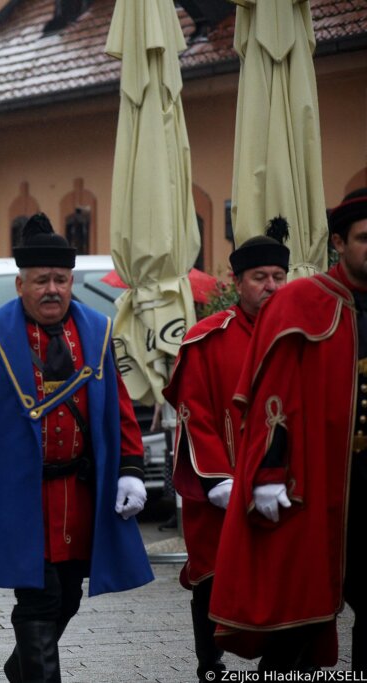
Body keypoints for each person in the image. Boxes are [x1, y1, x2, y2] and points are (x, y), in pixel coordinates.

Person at [0, 213, 152, 682]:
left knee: (67, 595)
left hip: (80, 491)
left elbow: (119, 408)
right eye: (41, 280)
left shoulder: (99, 330)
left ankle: (20, 667)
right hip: (20, 496)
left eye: (61, 280)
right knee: (39, 595)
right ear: (20, 283)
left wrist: (131, 467)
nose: (53, 289)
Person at [210, 188, 367, 672]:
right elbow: (271, 399)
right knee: (298, 618)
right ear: (338, 242)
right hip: (314, 487)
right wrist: (269, 472)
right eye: (365, 237)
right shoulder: (303, 301)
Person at [162, 219, 290, 682]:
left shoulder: (304, 336)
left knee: (284, 579)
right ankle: (210, 664)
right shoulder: (207, 339)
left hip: (286, 485)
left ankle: (281, 666)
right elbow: (192, 411)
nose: (270, 286)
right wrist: (219, 478)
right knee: (212, 575)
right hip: (220, 484)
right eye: (260, 278)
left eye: (278, 276)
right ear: (238, 282)